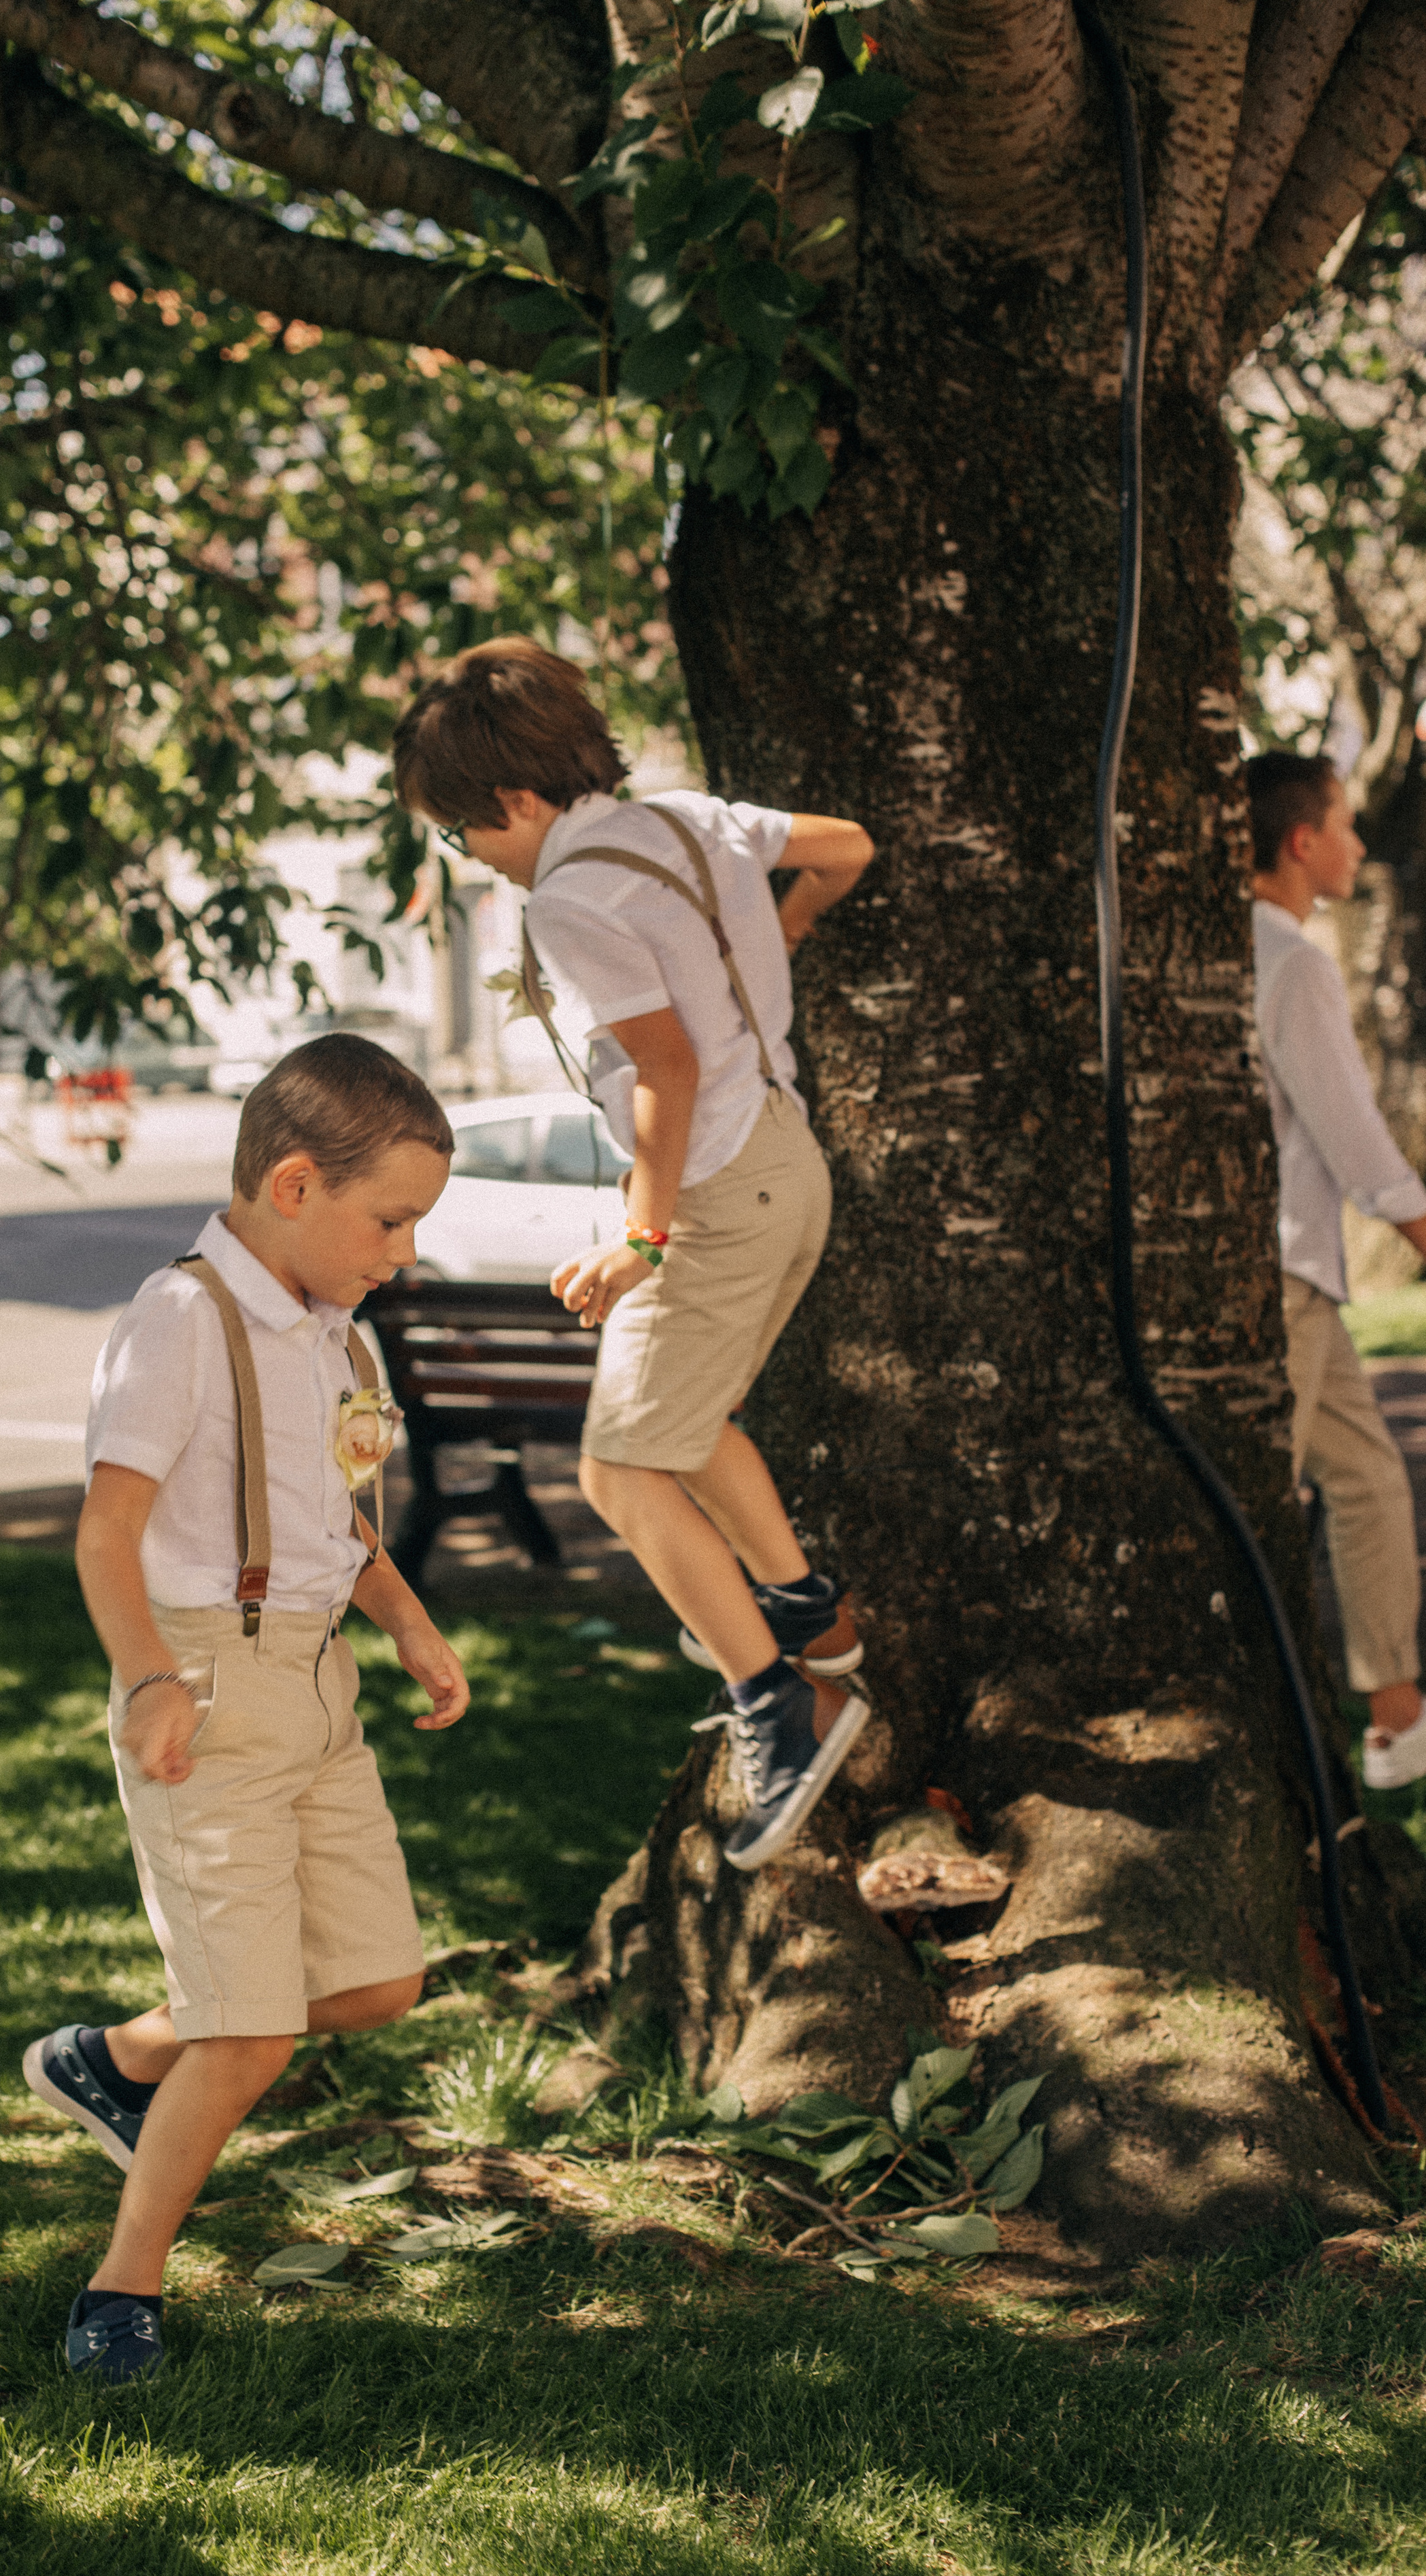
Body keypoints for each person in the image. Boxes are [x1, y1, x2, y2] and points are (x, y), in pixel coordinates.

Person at [21, 1036, 469, 2382]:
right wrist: (151, 1676)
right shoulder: (181, 1321)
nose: (399, 1251)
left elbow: (331, 1513)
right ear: (290, 1185)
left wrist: (402, 1618)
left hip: (316, 1686)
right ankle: (121, 2291)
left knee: (378, 1980)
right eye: (387, 1220)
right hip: (207, 1686)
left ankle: (113, 2057)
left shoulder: (332, 1329)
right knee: (253, 2028)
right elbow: (107, 1535)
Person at [393, 637, 872, 1873]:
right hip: (789, 1159)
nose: (470, 860)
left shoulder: (567, 897)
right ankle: (809, 1614)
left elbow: (666, 1069)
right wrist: (774, 951)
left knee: (616, 1471)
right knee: (684, 1418)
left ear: (514, 803)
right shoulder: (684, 820)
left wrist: (642, 1244)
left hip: (714, 1188)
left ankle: (785, 1709)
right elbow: (844, 848)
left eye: (462, 836)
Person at [1249, 749, 1426, 1790]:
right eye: (1345, 823)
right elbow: (1356, 1141)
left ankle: (1396, 1719)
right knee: (1254, 1500)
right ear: (1301, 840)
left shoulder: (1234, 951)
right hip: (1278, 1273)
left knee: (1368, 1477)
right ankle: (1228, 1725)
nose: (1360, 843)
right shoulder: (1291, 961)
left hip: (1294, 1273)